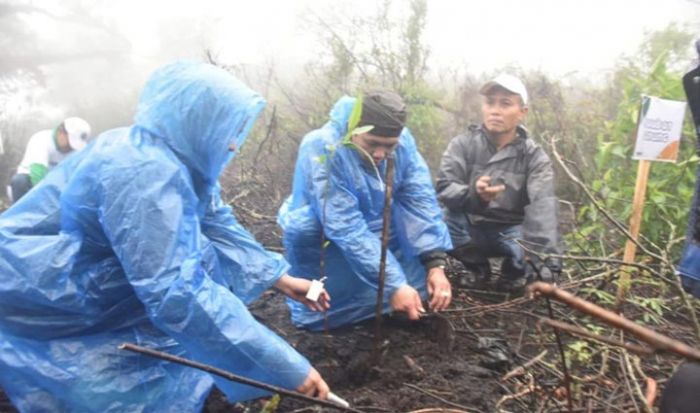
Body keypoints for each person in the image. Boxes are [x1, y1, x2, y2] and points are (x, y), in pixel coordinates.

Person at [0, 61, 331, 412]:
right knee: (93, 376)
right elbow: (174, 289)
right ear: (196, 123)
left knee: (194, 261)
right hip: (37, 282)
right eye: (226, 132)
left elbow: (216, 221)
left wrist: (280, 278)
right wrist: (282, 365)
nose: (233, 146)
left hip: (80, 273)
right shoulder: (142, 172)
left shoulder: (179, 159)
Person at [278, 91, 453, 331]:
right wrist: (393, 284)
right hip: (329, 238)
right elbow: (345, 225)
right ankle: (325, 305)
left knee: (412, 280)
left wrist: (435, 264)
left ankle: (390, 296)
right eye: (372, 144)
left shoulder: (403, 145)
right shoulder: (324, 147)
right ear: (354, 130)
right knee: (306, 228)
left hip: (378, 234)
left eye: (389, 146)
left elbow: (418, 201)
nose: (380, 154)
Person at [436, 74, 561, 292]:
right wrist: (474, 195)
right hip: (471, 227)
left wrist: (546, 270)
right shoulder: (463, 144)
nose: (495, 110)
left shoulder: (534, 156)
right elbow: (445, 188)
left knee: (533, 234)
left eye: (505, 104)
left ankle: (513, 272)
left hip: (511, 231)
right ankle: (476, 268)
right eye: (490, 102)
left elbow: (543, 211)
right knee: (443, 220)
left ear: (523, 112)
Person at [7, 116, 91, 203]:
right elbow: (38, 174)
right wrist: (46, 202)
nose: (71, 147)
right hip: (32, 187)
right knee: (20, 181)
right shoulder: (41, 139)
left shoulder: (78, 151)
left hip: (59, 187)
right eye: (70, 142)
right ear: (61, 132)